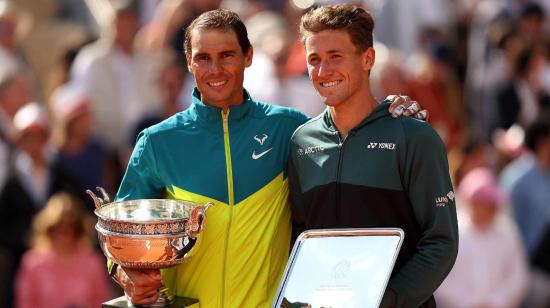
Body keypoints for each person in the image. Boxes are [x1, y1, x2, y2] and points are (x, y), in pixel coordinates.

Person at [111, 8, 427, 307]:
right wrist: (127, 277)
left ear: (248, 56)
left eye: (226, 56)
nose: (215, 70)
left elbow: (347, 133)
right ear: (189, 62)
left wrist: (390, 114)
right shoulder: (157, 142)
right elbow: (119, 238)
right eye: (203, 58)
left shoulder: (289, 128)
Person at [288, 4, 458, 308]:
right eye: (314, 59)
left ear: (368, 58)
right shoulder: (301, 142)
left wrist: (384, 301)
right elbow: (301, 236)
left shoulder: (415, 138)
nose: (323, 71)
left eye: (335, 57)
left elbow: (440, 243)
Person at [435, 168, 528, 308]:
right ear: (470, 202)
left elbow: (518, 276)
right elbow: (438, 279)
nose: (486, 210)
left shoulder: (508, 231)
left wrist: (496, 302)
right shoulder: (451, 232)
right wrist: (469, 303)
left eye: (491, 204)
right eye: (481, 203)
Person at [14, 192, 111, 308]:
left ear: (78, 230)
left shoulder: (93, 263)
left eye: (70, 227)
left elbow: (100, 302)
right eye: (58, 228)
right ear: (48, 229)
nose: (64, 235)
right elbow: (25, 303)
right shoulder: (31, 263)